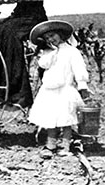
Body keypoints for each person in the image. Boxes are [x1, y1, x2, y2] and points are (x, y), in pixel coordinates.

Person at [27, 20, 90, 158]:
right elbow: (43, 65)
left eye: (52, 35)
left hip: (65, 89)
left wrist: (82, 86)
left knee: (65, 119)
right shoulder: (48, 52)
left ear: (60, 34)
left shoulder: (72, 52)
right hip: (49, 90)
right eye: (47, 38)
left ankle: (65, 145)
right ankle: (51, 145)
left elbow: (79, 69)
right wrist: (51, 52)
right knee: (50, 119)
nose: (51, 39)